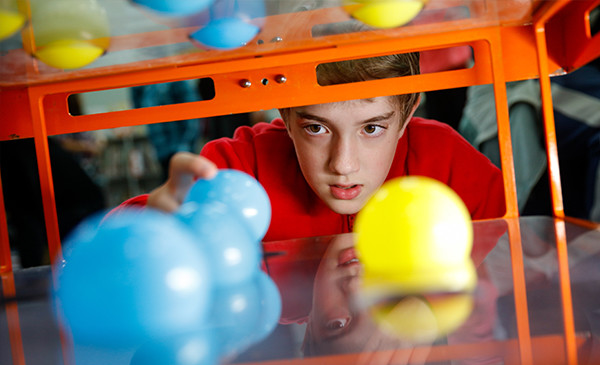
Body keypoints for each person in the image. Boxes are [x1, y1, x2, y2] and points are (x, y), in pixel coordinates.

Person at [114, 50, 506, 241]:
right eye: (317, 128)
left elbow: (500, 301)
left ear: (405, 116)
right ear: (285, 116)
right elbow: (96, 251)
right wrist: (157, 225)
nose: (343, 165)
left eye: (372, 128)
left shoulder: (453, 169)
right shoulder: (239, 166)